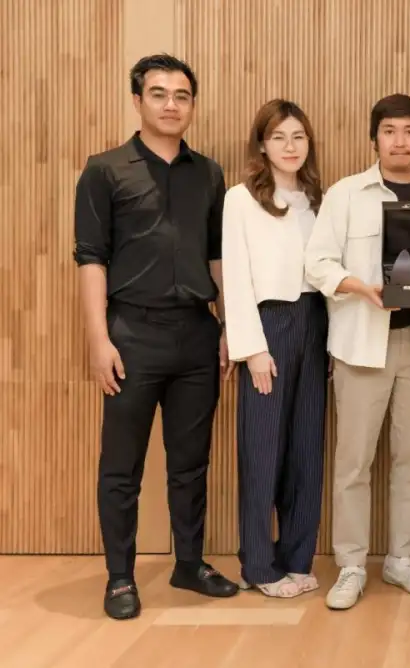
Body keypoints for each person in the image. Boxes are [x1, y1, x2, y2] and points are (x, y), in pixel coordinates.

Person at [73, 54, 239, 620]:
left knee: (190, 463)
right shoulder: (104, 170)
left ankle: (188, 563)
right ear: (138, 100)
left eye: (182, 95)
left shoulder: (209, 173)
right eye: (160, 94)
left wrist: (228, 328)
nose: (172, 104)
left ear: (192, 104)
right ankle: (120, 577)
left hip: (197, 333)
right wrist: (99, 340)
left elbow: (217, 256)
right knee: (121, 467)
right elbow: (90, 259)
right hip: (131, 334)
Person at [305, 93, 410, 610]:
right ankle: (351, 565)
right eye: (390, 131)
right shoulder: (346, 195)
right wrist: (360, 286)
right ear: (374, 139)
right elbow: (317, 263)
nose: (400, 141)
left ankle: (400, 558)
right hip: (360, 346)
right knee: (353, 462)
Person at [221, 99, 328, 598]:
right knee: (263, 451)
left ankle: (297, 558)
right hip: (269, 325)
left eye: (298, 137)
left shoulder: (319, 200)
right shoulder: (241, 199)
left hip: (315, 321)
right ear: (262, 145)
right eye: (279, 137)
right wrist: (251, 348)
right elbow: (236, 275)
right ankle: (259, 566)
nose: (290, 146)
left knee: (307, 449)